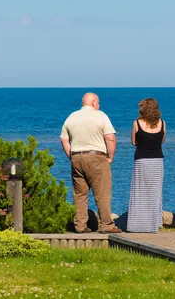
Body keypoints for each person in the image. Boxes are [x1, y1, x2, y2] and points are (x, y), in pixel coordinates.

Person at [60, 92, 122, 234]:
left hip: (76, 157)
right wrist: (110, 156)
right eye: (98, 102)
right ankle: (106, 225)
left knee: (80, 194)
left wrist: (71, 155)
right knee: (102, 193)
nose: (99, 105)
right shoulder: (100, 115)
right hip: (96, 157)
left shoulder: (71, 117)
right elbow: (110, 137)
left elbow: (64, 139)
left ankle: (80, 225)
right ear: (94, 102)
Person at [127, 98, 166, 233]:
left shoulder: (137, 123)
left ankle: (137, 224)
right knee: (155, 192)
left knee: (139, 192)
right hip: (157, 161)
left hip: (141, 160)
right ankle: (153, 224)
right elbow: (162, 140)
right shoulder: (162, 123)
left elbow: (133, 141)